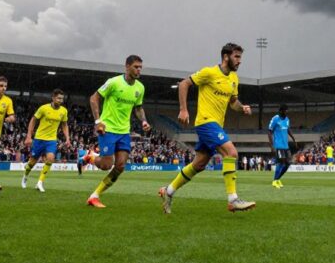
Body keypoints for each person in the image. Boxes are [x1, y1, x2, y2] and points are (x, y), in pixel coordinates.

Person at [159, 43, 256, 213]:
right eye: (237, 57)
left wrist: (242, 108)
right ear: (226, 57)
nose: (240, 61)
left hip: (216, 124)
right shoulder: (209, 72)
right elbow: (184, 84)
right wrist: (183, 109)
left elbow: (233, 102)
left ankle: (168, 191)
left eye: (240, 57)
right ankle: (233, 199)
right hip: (205, 122)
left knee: (199, 164)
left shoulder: (234, 78)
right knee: (231, 153)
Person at [85, 55, 148, 208]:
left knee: (120, 166)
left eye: (140, 67)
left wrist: (144, 120)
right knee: (107, 165)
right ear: (127, 67)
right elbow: (94, 98)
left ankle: (94, 196)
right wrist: (98, 121)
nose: (139, 70)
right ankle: (92, 157)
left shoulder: (140, 88)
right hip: (108, 129)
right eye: (136, 67)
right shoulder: (113, 82)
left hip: (124, 131)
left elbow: (138, 108)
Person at [21, 89, 71, 193]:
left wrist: (67, 138)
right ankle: (25, 176)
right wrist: (29, 136)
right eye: (58, 98)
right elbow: (33, 120)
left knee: (50, 158)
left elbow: (64, 125)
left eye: (62, 98)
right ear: (53, 98)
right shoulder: (43, 108)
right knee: (32, 162)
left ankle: (40, 182)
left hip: (51, 140)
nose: (60, 100)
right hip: (39, 138)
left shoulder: (63, 111)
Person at [268, 104, 297, 188]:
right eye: (285, 110)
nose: (286, 112)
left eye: (287, 110)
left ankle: (277, 179)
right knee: (281, 162)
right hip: (278, 144)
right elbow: (269, 131)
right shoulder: (275, 119)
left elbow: (288, 129)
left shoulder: (287, 119)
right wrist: (271, 145)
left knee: (288, 163)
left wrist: (293, 138)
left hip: (286, 145)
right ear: (280, 111)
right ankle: (275, 181)